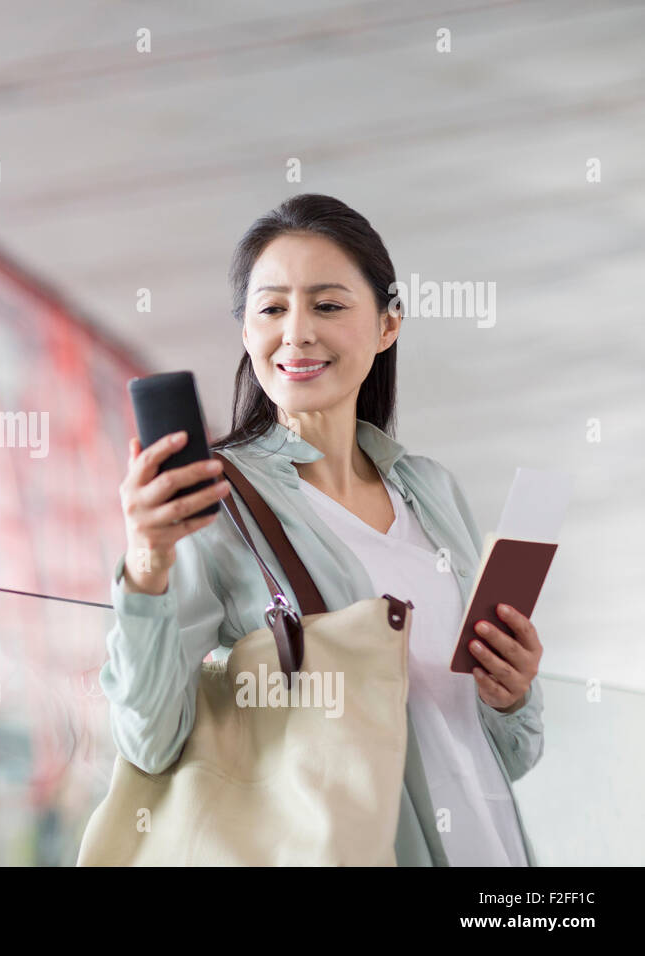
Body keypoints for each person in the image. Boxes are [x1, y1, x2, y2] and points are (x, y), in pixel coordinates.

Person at [102, 194, 545, 866]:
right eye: (272, 308)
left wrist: (511, 697)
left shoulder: (430, 489)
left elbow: (505, 755)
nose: (298, 332)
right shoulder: (220, 503)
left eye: (328, 306)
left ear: (388, 323)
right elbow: (152, 740)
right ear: (246, 332)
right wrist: (147, 566)